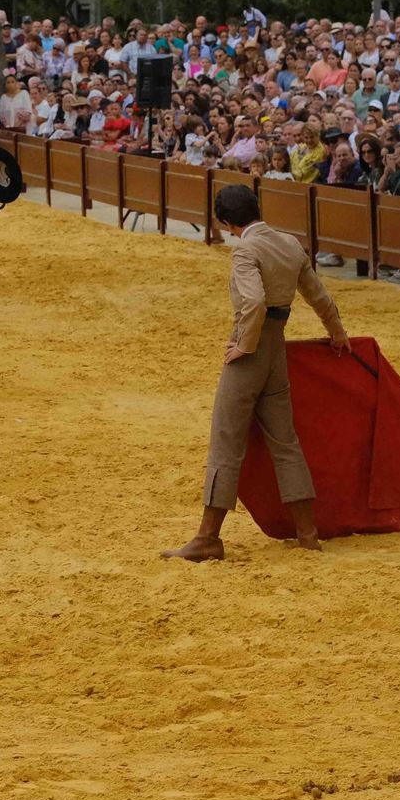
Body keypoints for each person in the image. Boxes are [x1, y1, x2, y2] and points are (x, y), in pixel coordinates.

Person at [162, 185, 349, 561]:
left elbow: (254, 301)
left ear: (228, 222)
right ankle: (307, 532)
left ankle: (208, 537)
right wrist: (337, 333)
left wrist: (244, 345)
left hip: (251, 351)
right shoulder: (290, 243)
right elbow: (319, 296)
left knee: (226, 440)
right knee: (285, 440)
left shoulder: (246, 249)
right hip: (276, 351)